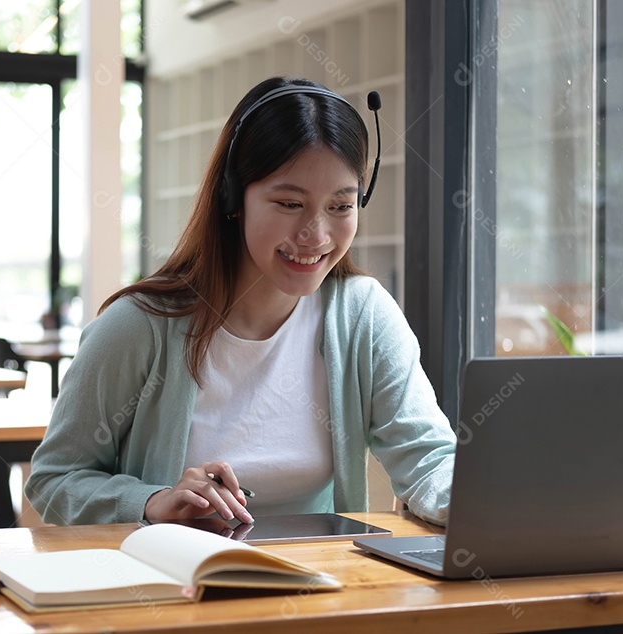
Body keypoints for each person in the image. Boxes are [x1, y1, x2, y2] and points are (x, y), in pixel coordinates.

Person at [26, 76, 456, 527]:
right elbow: (55, 479)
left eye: (341, 206)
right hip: (172, 586)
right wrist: (152, 503)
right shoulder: (139, 326)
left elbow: (428, 459)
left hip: (322, 587)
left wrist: (482, 503)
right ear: (233, 198)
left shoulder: (362, 314)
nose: (316, 235)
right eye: (290, 204)